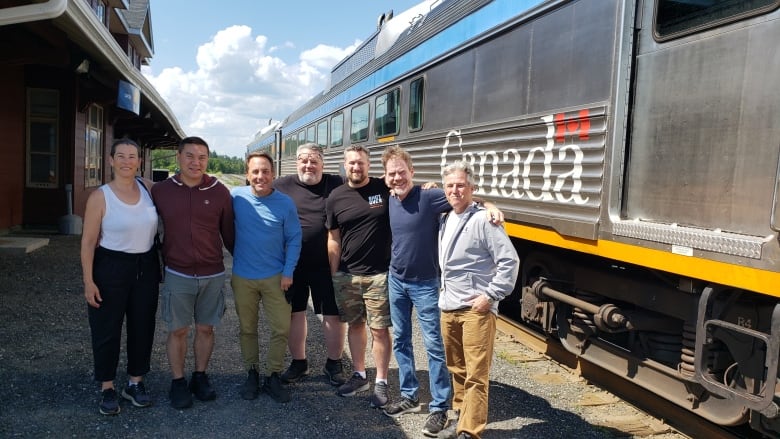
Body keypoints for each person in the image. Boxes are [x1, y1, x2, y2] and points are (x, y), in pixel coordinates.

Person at [380, 145, 503, 437]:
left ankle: (439, 407)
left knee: (435, 347)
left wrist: (490, 206)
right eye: (391, 174)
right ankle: (410, 396)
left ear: (412, 171)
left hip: (425, 284)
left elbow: (463, 195)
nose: (397, 178)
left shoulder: (430, 196)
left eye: (401, 172)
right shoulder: (391, 199)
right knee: (401, 341)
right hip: (396, 280)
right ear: (386, 178)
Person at [436, 161, 519, 439]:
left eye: (461, 185)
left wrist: (492, 296)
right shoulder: (446, 218)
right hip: (449, 307)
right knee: (457, 369)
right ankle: (459, 417)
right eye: (450, 185)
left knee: (475, 374)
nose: (455, 190)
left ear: (472, 188)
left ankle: (470, 431)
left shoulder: (485, 219)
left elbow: (509, 261)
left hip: (475, 309)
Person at [151, 136, 235, 409]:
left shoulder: (219, 191)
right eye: (189, 156)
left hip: (212, 273)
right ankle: (177, 381)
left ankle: (199, 376)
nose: (195, 162)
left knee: (206, 328)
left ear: (207, 160)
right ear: (178, 157)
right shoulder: (161, 191)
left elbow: (230, 235)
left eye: (201, 157)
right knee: (177, 330)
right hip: (178, 272)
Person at [81, 138, 160, 415]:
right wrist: (88, 281)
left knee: (142, 326)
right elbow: (89, 242)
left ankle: (135, 383)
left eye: (132, 156)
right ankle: (107, 386)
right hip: (111, 267)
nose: (127, 161)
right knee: (106, 329)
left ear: (140, 161)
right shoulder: (100, 197)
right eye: (121, 156)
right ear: (111, 160)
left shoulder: (149, 188)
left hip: (146, 266)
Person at [273, 143, 348, 386]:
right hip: (292, 264)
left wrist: (426, 187)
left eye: (314, 160)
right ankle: (299, 362)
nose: (309, 165)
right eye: (304, 160)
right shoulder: (282, 185)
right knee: (295, 313)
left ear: (322, 163)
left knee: (332, 315)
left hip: (327, 264)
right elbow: (255, 194)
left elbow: (369, 188)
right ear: (297, 163)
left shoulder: (337, 183)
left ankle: (334, 363)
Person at [231, 152, 302, 403]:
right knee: (247, 329)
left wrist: (288, 271)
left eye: (265, 171)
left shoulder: (285, 203)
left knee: (281, 328)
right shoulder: (235, 197)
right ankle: (252, 373)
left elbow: (294, 238)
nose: (261, 176)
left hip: (276, 277)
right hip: (243, 277)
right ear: (247, 174)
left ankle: (273, 375)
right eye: (255, 172)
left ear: (273, 174)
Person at [325, 145, 393, 407]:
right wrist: (335, 274)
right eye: (352, 163)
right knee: (355, 325)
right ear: (345, 165)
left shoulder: (382, 188)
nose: (356, 167)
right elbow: (333, 238)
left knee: (379, 329)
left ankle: (382, 382)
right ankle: (359, 373)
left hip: (379, 275)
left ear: (369, 165)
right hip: (347, 276)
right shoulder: (336, 197)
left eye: (361, 163)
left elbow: (410, 190)